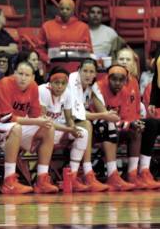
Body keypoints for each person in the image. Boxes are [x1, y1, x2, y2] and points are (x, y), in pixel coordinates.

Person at [0, 61, 59, 194]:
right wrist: (37, 121)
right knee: (16, 128)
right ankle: (9, 181)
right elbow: (6, 118)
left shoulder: (33, 87)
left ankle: (42, 180)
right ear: (14, 74)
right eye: (20, 74)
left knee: (48, 128)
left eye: (27, 75)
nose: (23, 78)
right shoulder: (4, 84)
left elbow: (35, 115)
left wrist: (43, 120)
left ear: (33, 77)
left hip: (12, 127)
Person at [66, 58, 118, 192]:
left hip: (76, 120)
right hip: (62, 119)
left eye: (91, 72)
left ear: (95, 74)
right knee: (87, 125)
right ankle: (88, 173)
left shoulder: (92, 85)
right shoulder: (72, 81)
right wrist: (104, 115)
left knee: (109, 125)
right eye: (85, 71)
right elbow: (76, 115)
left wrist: (111, 116)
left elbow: (104, 111)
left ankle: (113, 174)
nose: (87, 75)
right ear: (79, 71)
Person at [38, 67, 90, 192]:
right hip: (39, 130)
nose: (60, 86)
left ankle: (72, 177)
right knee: (49, 128)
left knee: (83, 133)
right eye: (56, 82)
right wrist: (68, 130)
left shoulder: (66, 93)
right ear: (50, 82)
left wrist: (72, 128)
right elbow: (43, 121)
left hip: (55, 129)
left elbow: (69, 118)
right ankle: (41, 180)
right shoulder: (42, 91)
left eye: (63, 83)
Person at [115, 48, 160, 189]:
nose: (124, 62)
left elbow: (135, 111)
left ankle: (144, 171)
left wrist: (138, 120)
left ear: (134, 64)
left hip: (131, 122)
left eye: (128, 59)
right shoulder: (111, 82)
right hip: (115, 124)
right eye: (121, 59)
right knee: (137, 126)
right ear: (116, 62)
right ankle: (131, 174)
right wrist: (130, 123)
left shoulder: (134, 81)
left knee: (152, 123)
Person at [93, 66, 139, 191]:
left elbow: (124, 117)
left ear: (125, 81)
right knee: (109, 125)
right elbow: (105, 116)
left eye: (121, 80)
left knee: (136, 130)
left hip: (113, 125)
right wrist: (125, 124)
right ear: (107, 78)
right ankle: (112, 175)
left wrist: (131, 124)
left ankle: (133, 174)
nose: (117, 83)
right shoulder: (98, 87)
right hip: (94, 124)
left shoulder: (124, 91)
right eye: (114, 79)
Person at [37, 0, 93, 73]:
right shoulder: (46, 26)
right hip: (52, 69)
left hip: (77, 70)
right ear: (58, 9)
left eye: (67, 9)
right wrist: (47, 59)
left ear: (73, 11)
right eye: (62, 8)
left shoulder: (83, 27)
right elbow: (39, 48)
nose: (64, 11)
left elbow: (88, 50)